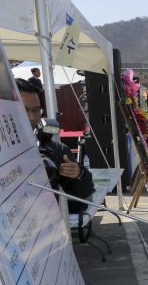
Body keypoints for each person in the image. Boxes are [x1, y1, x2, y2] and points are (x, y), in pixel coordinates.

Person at [18, 78, 94, 212]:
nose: (32, 117)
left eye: (36, 110)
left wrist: (78, 174)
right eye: (24, 111)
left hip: (46, 225)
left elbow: (83, 195)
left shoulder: (55, 149)